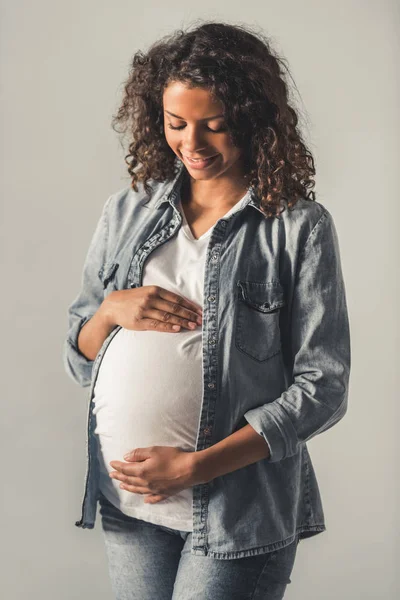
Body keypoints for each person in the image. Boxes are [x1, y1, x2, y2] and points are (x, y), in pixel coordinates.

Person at [63, 20, 351, 600]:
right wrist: (111, 311)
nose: (191, 144)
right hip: (130, 501)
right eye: (176, 124)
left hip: (236, 509)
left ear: (252, 122)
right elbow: (81, 353)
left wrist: (198, 467)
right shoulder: (128, 211)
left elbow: (323, 388)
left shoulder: (296, 228)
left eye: (214, 126)